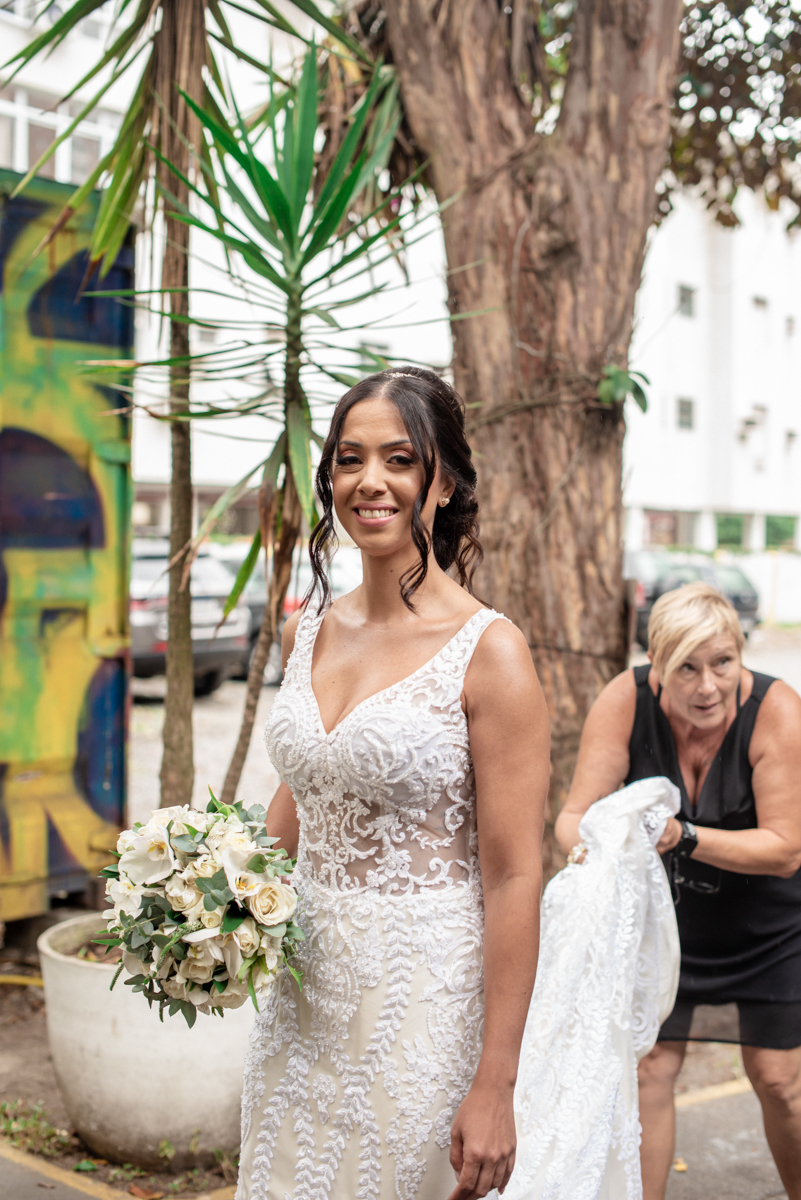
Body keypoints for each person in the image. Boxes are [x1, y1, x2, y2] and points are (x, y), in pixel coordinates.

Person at [237, 367, 549, 1200]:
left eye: (398, 459)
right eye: (348, 459)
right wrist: (207, 908)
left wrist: (496, 1081)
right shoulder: (308, 631)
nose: (368, 481)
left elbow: (517, 875)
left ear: (440, 481)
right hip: (302, 1000)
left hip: (421, 1005)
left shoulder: (491, 651)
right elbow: (301, 794)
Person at [555, 581, 801, 1200]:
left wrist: (682, 835)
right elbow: (572, 818)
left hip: (769, 928)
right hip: (665, 927)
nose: (708, 686)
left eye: (722, 662)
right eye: (686, 668)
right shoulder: (625, 701)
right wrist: (593, 850)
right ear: (656, 668)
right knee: (650, 1071)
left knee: (779, 1081)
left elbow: (786, 848)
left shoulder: (777, 711)